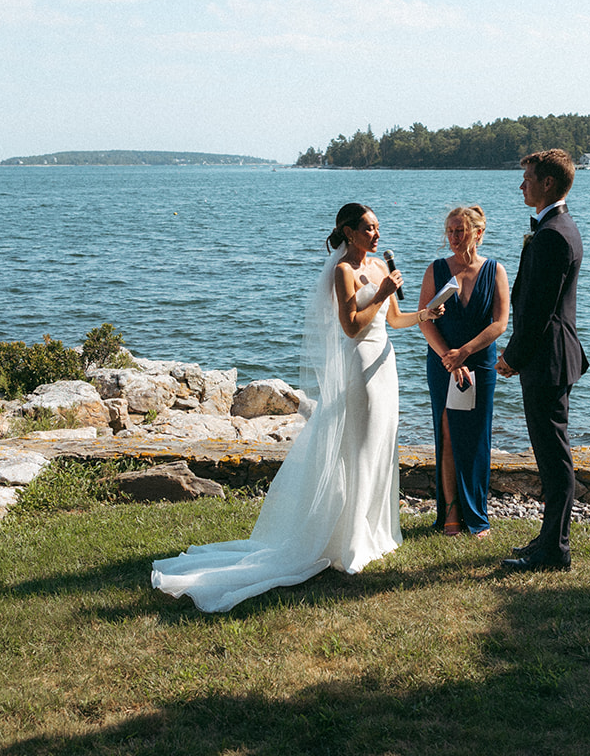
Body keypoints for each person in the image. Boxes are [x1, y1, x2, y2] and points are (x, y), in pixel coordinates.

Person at [150, 203, 441, 612]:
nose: (377, 234)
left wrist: (423, 312)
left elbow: (393, 320)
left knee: (380, 446)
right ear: (349, 232)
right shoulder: (342, 272)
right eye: (369, 229)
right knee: (357, 448)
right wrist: (384, 293)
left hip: (385, 363)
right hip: (359, 364)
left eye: (378, 228)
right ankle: (348, 540)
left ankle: (376, 532)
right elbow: (352, 326)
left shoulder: (378, 267)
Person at [496, 149, 588, 572]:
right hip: (551, 356)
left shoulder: (553, 233)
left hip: (547, 359)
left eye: (528, 178)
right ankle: (549, 540)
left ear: (547, 182)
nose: (522, 185)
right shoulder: (557, 226)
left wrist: (512, 357)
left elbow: (539, 310)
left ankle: (555, 551)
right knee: (551, 455)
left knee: (554, 458)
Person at [418, 205, 510, 538]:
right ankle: (451, 513)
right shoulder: (436, 269)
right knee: (446, 433)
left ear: (478, 232)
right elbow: (423, 320)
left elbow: (500, 322)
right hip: (443, 362)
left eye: (462, 230)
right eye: (451, 231)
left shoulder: (495, 270)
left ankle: (478, 515)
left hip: (479, 362)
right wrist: (448, 356)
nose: (455, 237)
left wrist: (466, 352)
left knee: (476, 437)